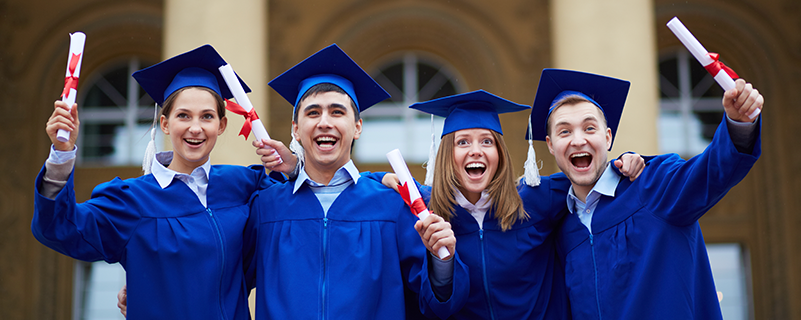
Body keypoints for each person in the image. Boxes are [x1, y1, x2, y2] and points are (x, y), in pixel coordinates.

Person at [32, 44, 297, 320]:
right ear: (165, 124)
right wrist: (62, 154)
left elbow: (294, 216)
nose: (195, 128)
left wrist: (291, 168)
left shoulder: (243, 185)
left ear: (221, 125)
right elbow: (60, 227)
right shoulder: (132, 200)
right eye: (183, 115)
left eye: (207, 116)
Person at [244, 44, 469, 319]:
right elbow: (223, 283)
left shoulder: (391, 205)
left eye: (337, 112)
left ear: (358, 127)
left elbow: (437, 302)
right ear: (296, 130)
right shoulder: (266, 207)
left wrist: (442, 260)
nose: (324, 122)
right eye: (313, 113)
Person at [528, 68, 762, 319]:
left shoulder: (653, 185)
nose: (578, 140)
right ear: (551, 145)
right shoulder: (561, 228)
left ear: (607, 138)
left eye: (589, 128)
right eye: (564, 131)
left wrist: (739, 124)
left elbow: (711, 172)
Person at [405, 89, 644, 320]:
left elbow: (590, 175)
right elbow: (437, 308)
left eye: (487, 141)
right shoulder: (431, 218)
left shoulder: (537, 198)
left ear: (500, 153)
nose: (476, 151)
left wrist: (625, 161)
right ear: (447, 154)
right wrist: (442, 260)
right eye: (463, 142)